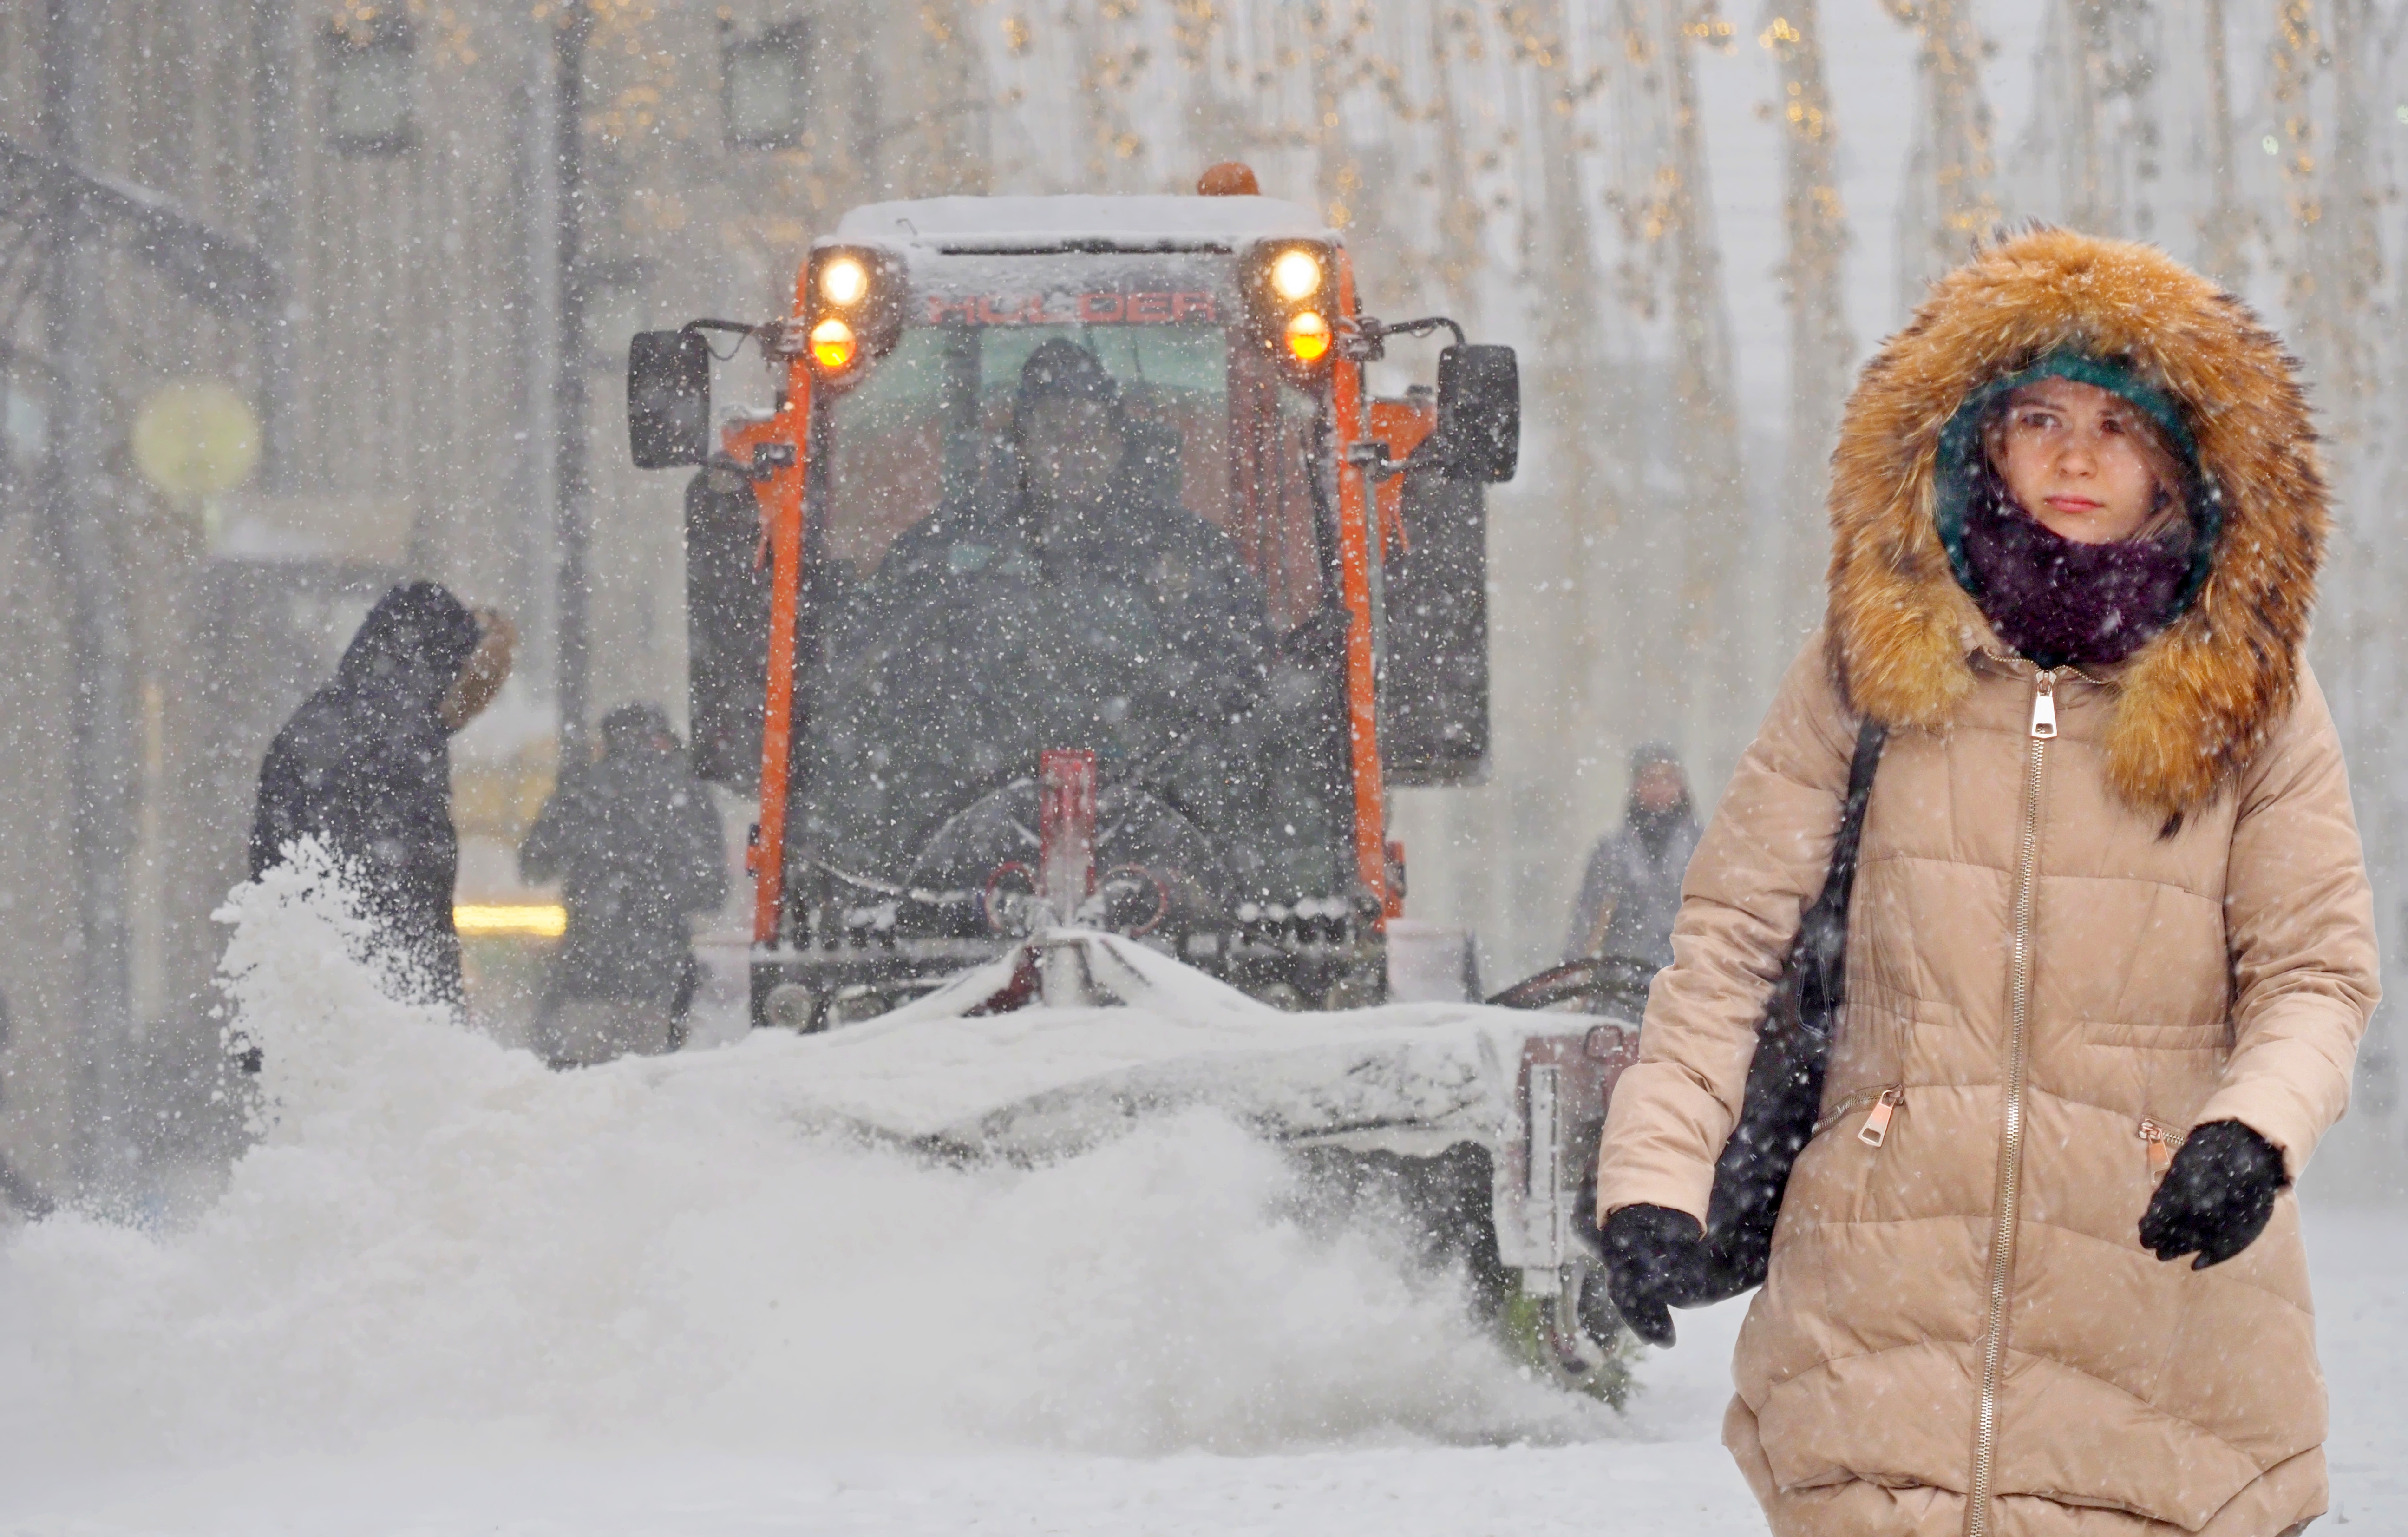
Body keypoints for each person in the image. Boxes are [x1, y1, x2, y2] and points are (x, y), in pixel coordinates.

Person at [1593, 228, 2375, 1537]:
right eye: (2039, 415)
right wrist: (1652, 1178)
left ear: (2183, 462)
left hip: (2162, 1336)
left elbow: (2318, 970)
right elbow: (1729, 941)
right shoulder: (1870, 668)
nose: (2075, 456)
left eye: (2118, 425)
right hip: (1872, 1347)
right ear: (1978, 439)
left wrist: (2253, 1130)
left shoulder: (2257, 699)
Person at [251, 581, 514, 1011]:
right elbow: (417, 882)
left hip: (307, 987)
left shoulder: (311, 723)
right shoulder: (409, 738)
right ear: (443, 665)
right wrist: (438, 1002)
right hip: (383, 996)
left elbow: (268, 862)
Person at [519, 703, 726, 1069]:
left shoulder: (584, 788)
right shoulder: (689, 794)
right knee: (651, 1094)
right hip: (662, 980)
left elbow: (534, 865)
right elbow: (713, 892)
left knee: (578, 1088)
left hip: (585, 974)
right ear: (662, 739)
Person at [1563, 742, 1698, 967]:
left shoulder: (1705, 849)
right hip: (1621, 988)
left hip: (1689, 984)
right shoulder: (1611, 853)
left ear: (1682, 786)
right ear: (1635, 786)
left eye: (1668, 779)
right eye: (1650, 779)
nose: (1659, 788)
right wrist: (1574, 976)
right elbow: (1586, 925)